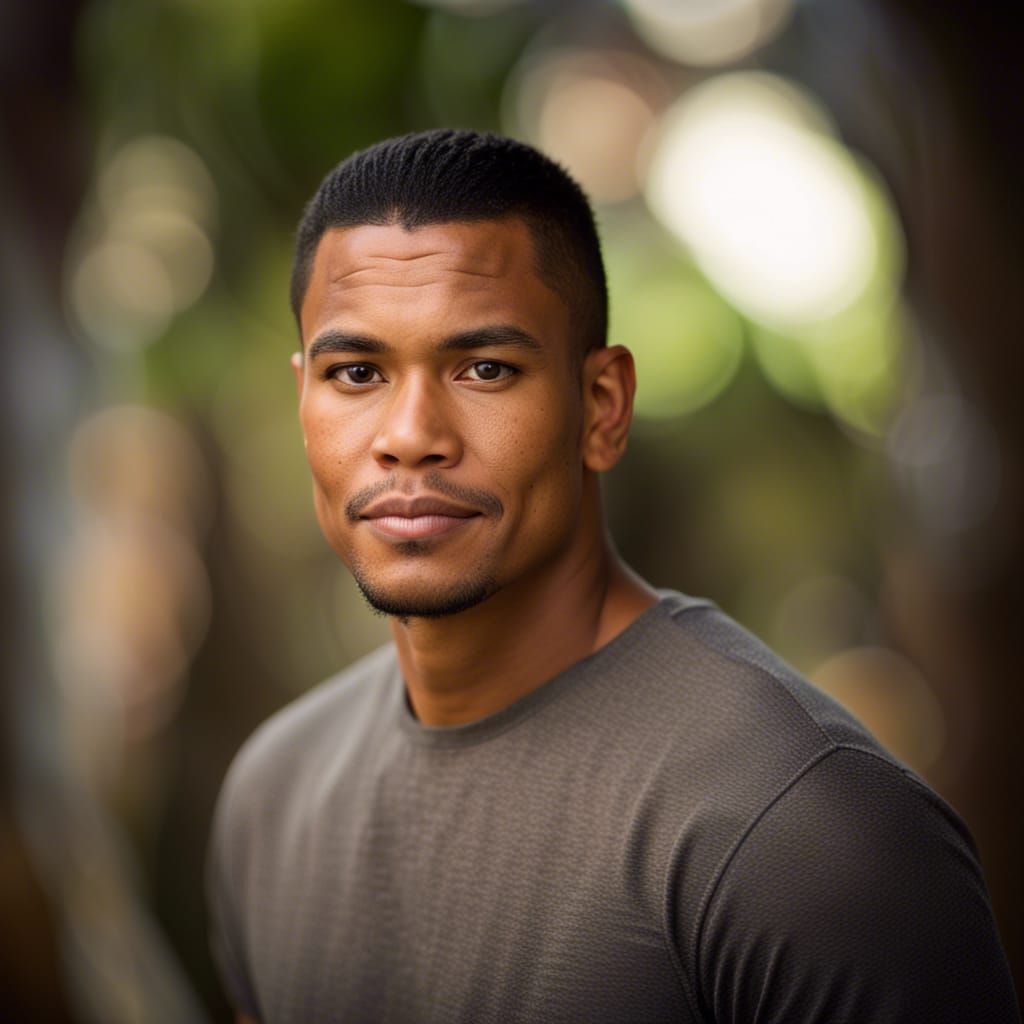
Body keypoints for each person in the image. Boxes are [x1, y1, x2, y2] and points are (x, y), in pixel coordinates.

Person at [206, 129, 1019, 1024]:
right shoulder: (270, 801)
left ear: (602, 407)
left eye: (484, 368)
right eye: (356, 372)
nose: (409, 433)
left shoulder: (804, 829)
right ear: (303, 402)